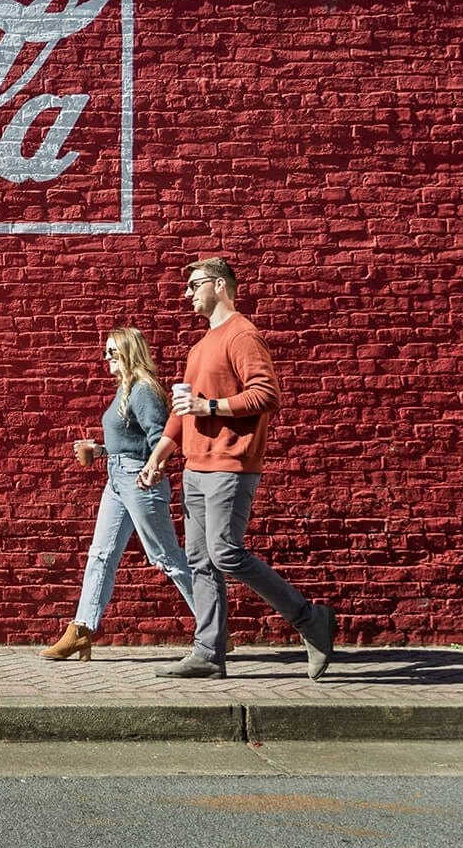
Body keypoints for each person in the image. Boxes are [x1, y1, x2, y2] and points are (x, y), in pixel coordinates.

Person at [139, 257, 338, 680]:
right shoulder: (199, 346)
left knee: (225, 552)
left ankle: (308, 618)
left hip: (231, 463)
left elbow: (266, 394)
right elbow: (182, 409)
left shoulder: (243, 335)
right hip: (195, 466)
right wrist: (160, 455)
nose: (187, 293)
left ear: (219, 286)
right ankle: (208, 653)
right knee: (200, 561)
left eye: (194, 285)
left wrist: (210, 406)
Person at [40, 327, 203, 661]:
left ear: (131, 351)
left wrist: (152, 469)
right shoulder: (125, 389)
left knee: (167, 558)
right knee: (100, 555)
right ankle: (81, 630)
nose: (107, 358)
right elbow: (131, 438)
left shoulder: (143, 390)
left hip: (140, 480)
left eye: (113, 351)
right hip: (117, 478)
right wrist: (100, 451)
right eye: (105, 352)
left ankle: (214, 628)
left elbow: (160, 438)